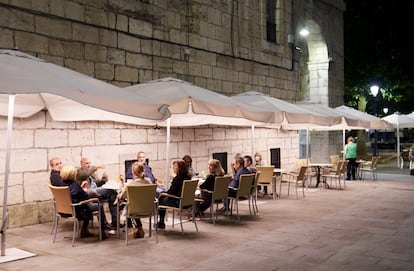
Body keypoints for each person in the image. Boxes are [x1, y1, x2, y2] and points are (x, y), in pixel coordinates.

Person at [60, 165, 108, 239]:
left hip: (67, 209)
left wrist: (81, 188)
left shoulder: (61, 184)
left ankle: (84, 230)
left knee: (88, 204)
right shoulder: (74, 185)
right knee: (99, 205)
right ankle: (102, 231)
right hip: (78, 208)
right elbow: (84, 196)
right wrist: (84, 189)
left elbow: (74, 194)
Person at [76, 157, 117, 231]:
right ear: (81, 164)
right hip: (89, 193)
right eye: (86, 163)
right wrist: (96, 167)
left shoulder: (92, 173)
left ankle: (115, 221)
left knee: (113, 194)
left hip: (96, 191)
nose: (89, 165)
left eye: (89, 163)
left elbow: (97, 183)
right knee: (110, 190)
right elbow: (85, 175)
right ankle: (104, 225)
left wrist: (103, 180)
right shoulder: (79, 171)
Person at [117, 162, 152, 238]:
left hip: (134, 210)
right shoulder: (149, 182)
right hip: (148, 209)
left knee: (125, 205)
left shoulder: (131, 185)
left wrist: (122, 184)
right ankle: (139, 228)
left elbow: (122, 196)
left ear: (133, 172)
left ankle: (129, 228)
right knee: (135, 204)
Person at [157, 160, 192, 229]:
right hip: (187, 202)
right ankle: (160, 220)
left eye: (175, 166)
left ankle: (161, 222)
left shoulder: (178, 178)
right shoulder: (188, 177)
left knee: (161, 199)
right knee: (162, 195)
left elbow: (171, 192)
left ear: (180, 168)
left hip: (177, 201)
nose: (173, 167)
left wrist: (162, 194)